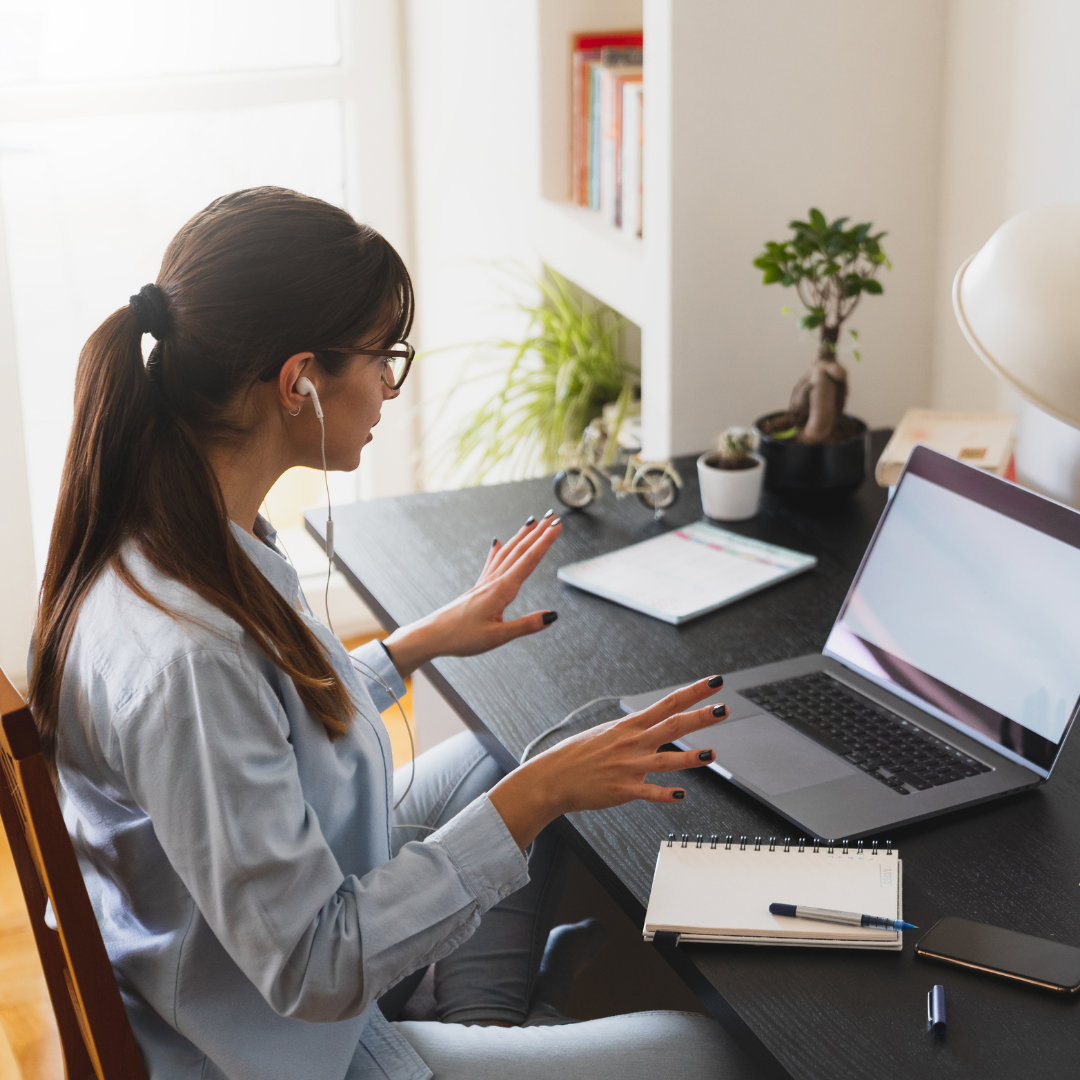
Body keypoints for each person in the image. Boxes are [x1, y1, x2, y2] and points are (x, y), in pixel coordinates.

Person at [29, 187, 751, 1080]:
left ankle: (484, 1023)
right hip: (274, 1044)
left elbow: (265, 718)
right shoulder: (191, 658)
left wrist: (419, 643)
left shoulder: (168, 534)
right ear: (300, 381)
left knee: (510, 750)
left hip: (239, 962)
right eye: (383, 359)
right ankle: (478, 1029)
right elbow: (313, 967)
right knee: (706, 1053)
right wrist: (539, 799)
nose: (388, 387)